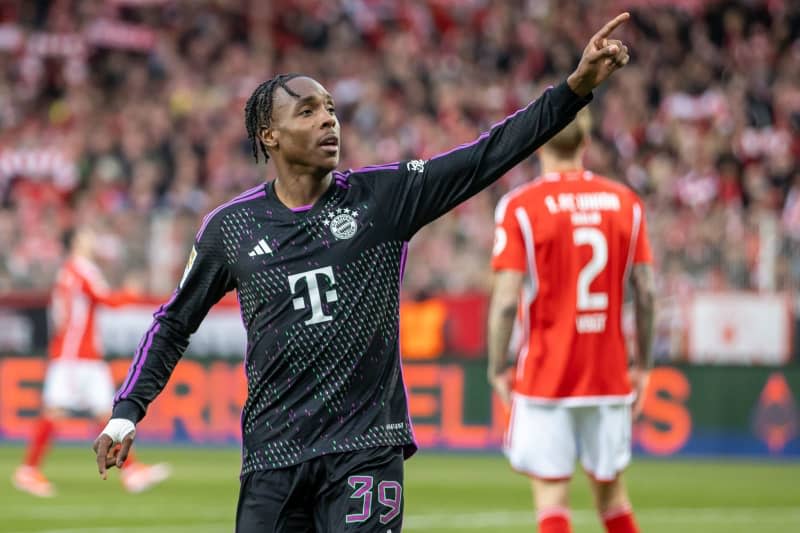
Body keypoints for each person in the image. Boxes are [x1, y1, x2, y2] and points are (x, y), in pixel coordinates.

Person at [93, 13, 632, 532]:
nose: (328, 119)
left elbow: (486, 155)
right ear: (270, 135)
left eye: (330, 108)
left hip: (364, 449)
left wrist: (574, 90)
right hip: (272, 454)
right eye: (307, 111)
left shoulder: (384, 198)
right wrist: (126, 412)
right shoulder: (230, 229)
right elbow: (174, 322)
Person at [487, 107, 656, 533]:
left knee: (550, 496)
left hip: (547, 373)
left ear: (540, 142)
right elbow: (647, 292)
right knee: (613, 496)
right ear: (585, 143)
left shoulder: (520, 206)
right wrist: (644, 365)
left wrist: (496, 367)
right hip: (608, 371)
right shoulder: (626, 203)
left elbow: (506, 301)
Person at [13, 225, 171, 497]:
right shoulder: (81, 269)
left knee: (105, 414)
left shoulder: (70, 271)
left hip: (80, 354)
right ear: (76, 241)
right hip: (76, 356)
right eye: (86, 234)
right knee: (57, 411)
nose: (92, 237)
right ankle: (28, 470)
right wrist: (132, 294)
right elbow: (105, 299)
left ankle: (131, 471)